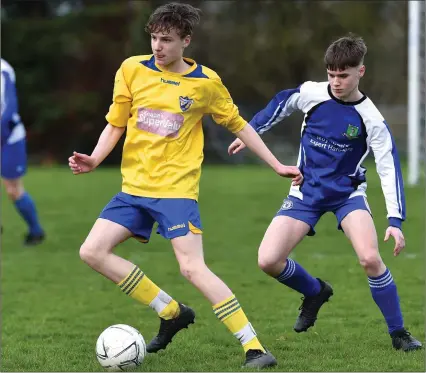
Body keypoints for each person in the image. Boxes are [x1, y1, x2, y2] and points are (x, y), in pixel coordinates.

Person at [68, 2, 303, 368]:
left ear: (186, 41)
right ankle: (171, 311)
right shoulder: (131, 69)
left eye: (166, 39)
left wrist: (276, 164)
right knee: (91, 251)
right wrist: (95, 159)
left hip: (176, 191)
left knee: (193, 268)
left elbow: (239, 124)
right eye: (154, 38)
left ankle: (254, 346)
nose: (158, 46)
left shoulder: (205, 83)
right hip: (133, 189)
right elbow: (116, 122)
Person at [228, 34, 422, 352]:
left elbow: (389, 168)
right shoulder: (313, 93)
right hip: (306, 191)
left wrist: (395, 221)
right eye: (331, 74)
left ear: (361, 71)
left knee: (370, 258)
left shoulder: (371, 118)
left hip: (347, 195)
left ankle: (399, 333)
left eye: (343, 75)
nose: (335, 81)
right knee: (268, 260)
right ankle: (315, 291)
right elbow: (282, 102)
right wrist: (253, 129)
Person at [1, 58, 45, 246]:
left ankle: (36, 231)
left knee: (13, 189)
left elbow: (9, 108)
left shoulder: (3, 70)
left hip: (9, 137)